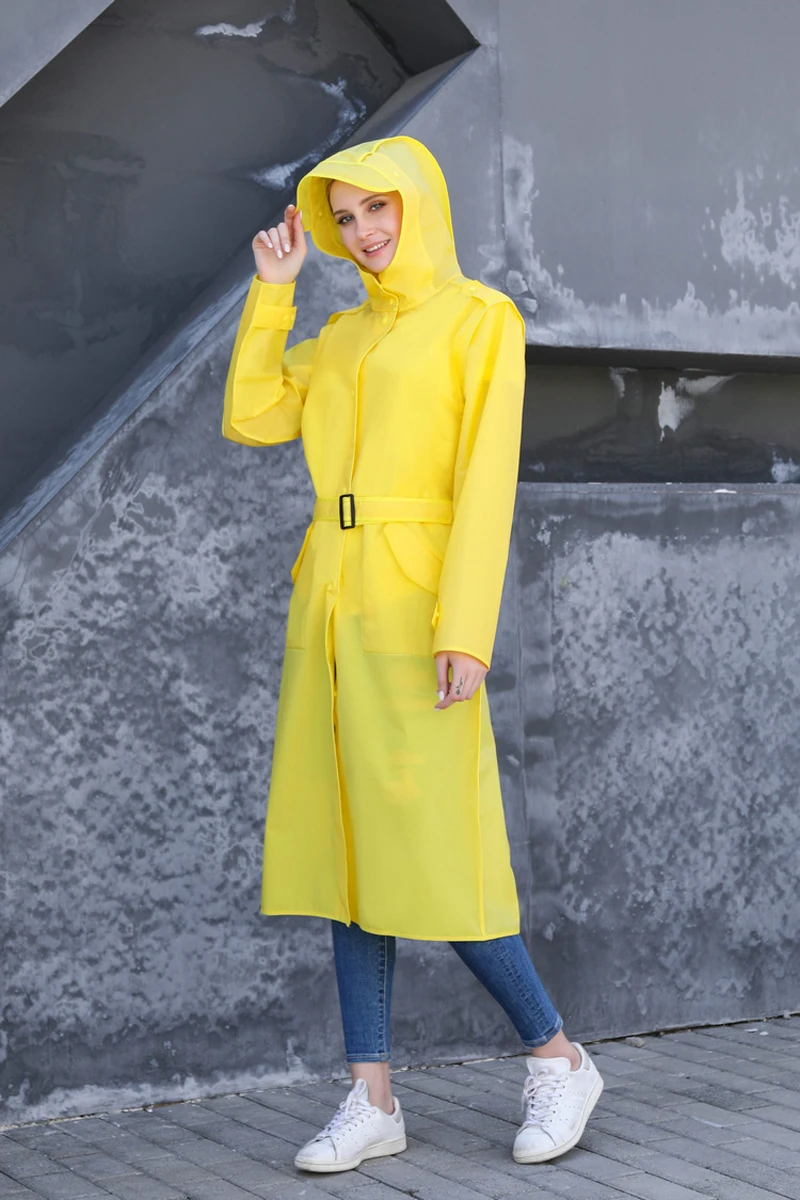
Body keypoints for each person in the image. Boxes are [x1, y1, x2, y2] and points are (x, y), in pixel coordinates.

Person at [221, 135, 603, 1173]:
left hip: (418, 607)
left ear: (417, 202)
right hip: (330, 604)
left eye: (377, 209)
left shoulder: (477, 319)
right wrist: (274, 295)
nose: (363, 232)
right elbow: (253, 414)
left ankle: (558, 1057)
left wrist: (463, 629)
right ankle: (372, 1098)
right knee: (346, 856)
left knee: (436, 850)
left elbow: (485, 480)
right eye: (344, 218)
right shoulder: (341, 337)